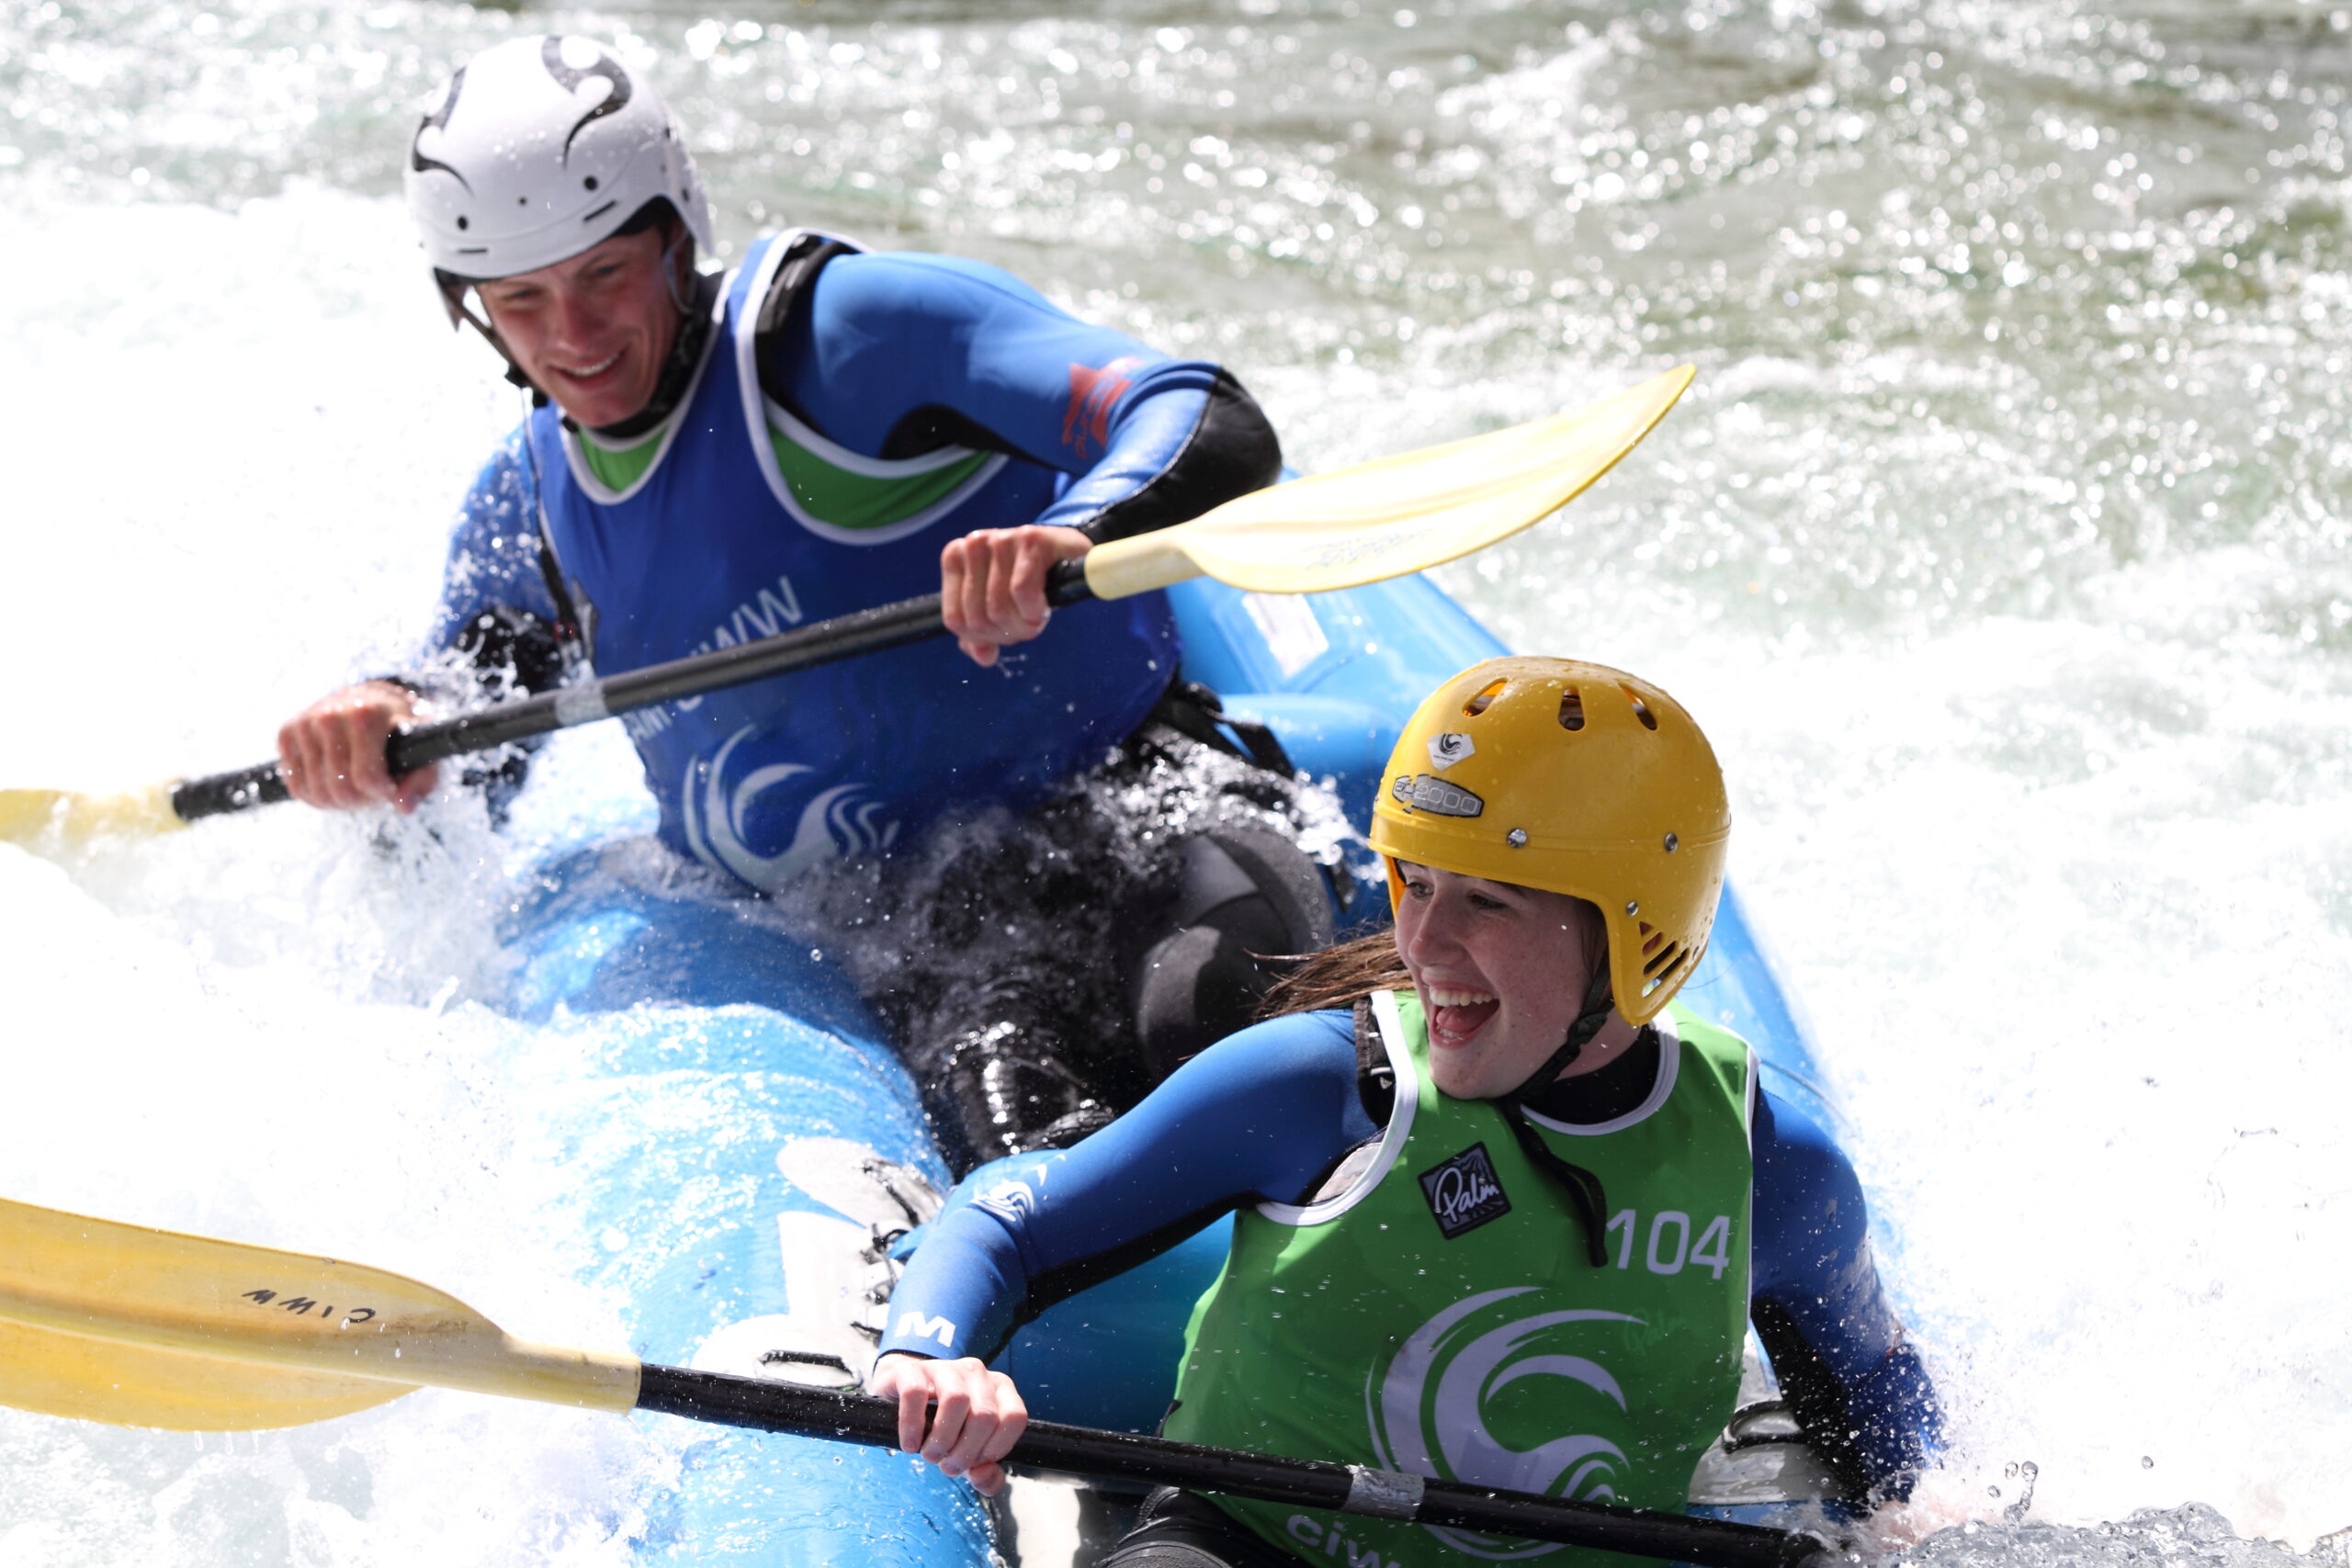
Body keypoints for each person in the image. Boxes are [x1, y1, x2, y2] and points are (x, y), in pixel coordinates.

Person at [271, 35, 1330, 1165]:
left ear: (677, 236)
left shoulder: (844, 340)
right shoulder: (527, 507)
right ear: (469, 307)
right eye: (522, 301)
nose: (572, 337)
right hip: (898, 923)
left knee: (1204, 1019)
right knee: (1006, 1098)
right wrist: (380, 722)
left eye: (604, 276)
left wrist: (1071, 534)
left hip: (1131, 800)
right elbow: (470, 720)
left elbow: (1201, 412)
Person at [865, 656, 1942, 1564]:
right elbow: (1012, 1219)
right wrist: (926, 1352)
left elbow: (1878, 1403)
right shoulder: (1319, 1086)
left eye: (1486, 900)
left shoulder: (1768, 1164)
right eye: (1415, 885)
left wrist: (1932, 1517)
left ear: (1632, 928)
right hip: (1256, 1546)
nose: (1424, 946)